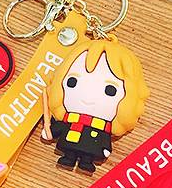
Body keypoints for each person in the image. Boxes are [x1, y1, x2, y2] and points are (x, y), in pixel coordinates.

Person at [42, 38, 149, 173]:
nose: (87, 97)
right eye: (72, 82)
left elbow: (104, 139)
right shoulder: (69, 119)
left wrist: (105, 148)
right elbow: (60, 127)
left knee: (88, 153)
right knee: (70, 151)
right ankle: (69, 157)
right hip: (69, 141)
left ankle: (86, 161)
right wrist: (51, 131)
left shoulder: (103, 126)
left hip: (93, 146)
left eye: (110, 90)